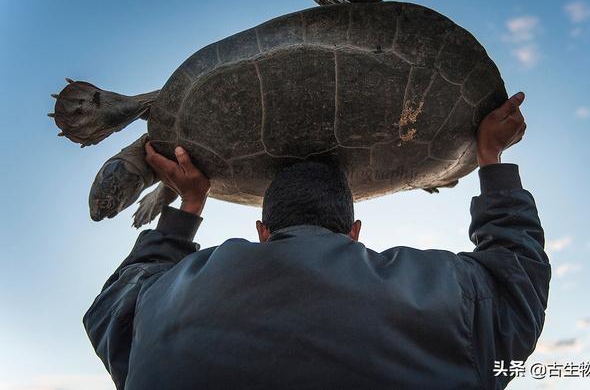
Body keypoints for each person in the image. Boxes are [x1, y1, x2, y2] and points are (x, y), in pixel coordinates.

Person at [83, 91, 551, 390]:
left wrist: (189, 207)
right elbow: (517, 289)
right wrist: (490, 156)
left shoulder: (160, 310)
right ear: (354, 233)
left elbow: (113, 309)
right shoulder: (448, 303)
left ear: (262, 233)